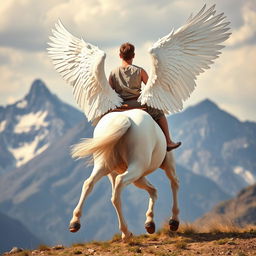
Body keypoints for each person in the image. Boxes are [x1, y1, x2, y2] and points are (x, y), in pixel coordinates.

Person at [109, 42, 181, 151]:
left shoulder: (113, 73)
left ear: (120, 56)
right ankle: (168, 141)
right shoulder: (140, 71)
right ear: (133, 56)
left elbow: (110, 91)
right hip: (138, 104)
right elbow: (149, 88)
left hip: (120, 106)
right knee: (159, 112)